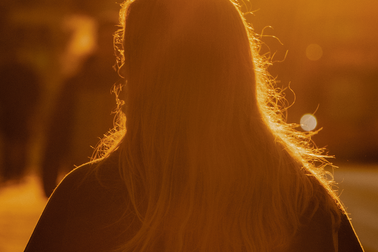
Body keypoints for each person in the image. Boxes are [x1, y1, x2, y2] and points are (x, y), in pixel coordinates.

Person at [25, 0, 365, 251]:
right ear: (242, 73)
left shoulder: (86, 198)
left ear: (142, 78)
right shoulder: (305, 202)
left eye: (128, 64)